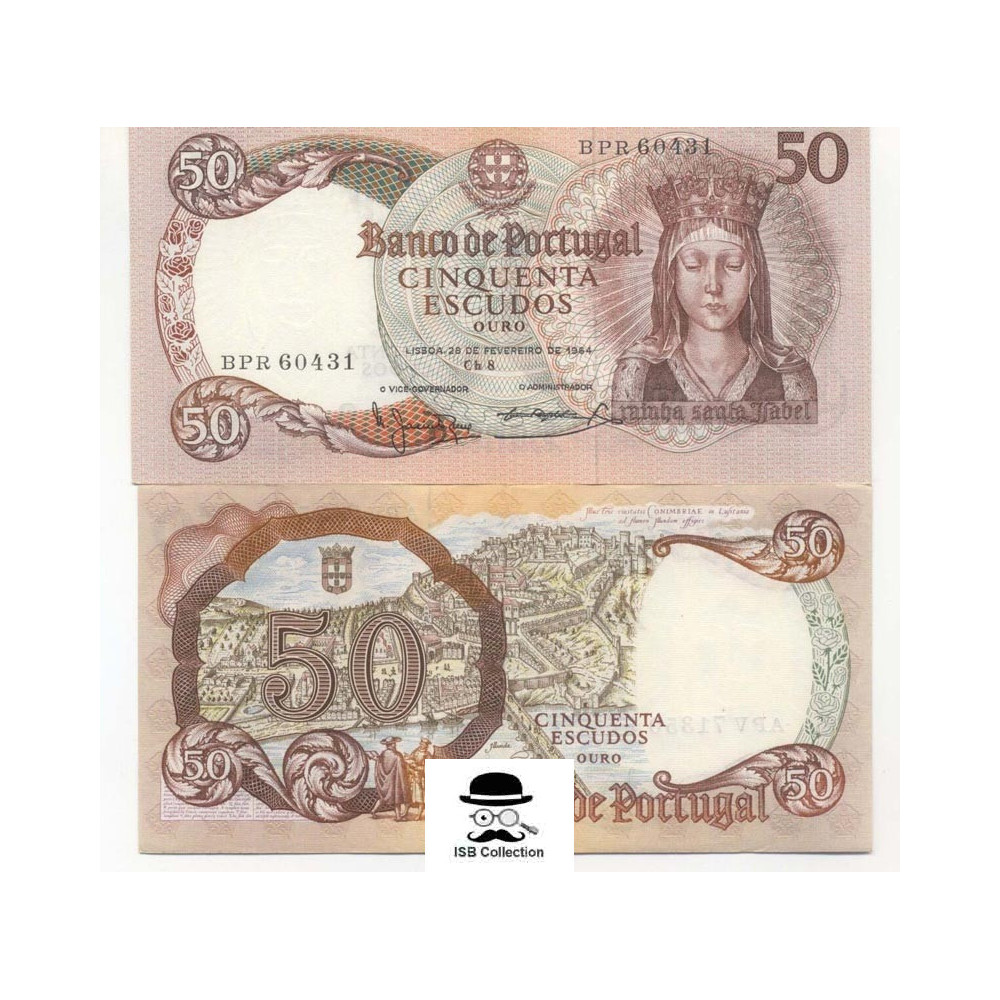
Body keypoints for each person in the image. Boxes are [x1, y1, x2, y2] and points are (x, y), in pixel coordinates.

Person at [611, 161, 817, 409]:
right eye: (693, 265)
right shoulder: (638, 373)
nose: (713, 286)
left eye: (732, 264)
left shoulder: (790, 377)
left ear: (755, 275)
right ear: (670, 274)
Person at [367, 736, 409, 821]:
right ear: (391, 744)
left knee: (383, 798)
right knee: (397, 798)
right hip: (395, 781)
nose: (395, 745)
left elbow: (379, 762)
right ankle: (398, 817)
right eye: (394, 743)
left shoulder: (383, 754)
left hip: (386, 781)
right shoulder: (397, 755)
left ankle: (373, 810)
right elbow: (402, 767)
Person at [405, 737, 434, 820]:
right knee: (409, 796)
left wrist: (417, 767)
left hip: (421, 779)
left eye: (423, 744)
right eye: (421, 743)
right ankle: (405, 812)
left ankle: (419, 814)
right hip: (413, 777)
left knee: (420, 797)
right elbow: (411, 758)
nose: (421, 744)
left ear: (426, 745)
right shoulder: (416, 751)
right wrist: (408, 759)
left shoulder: (427, 755)